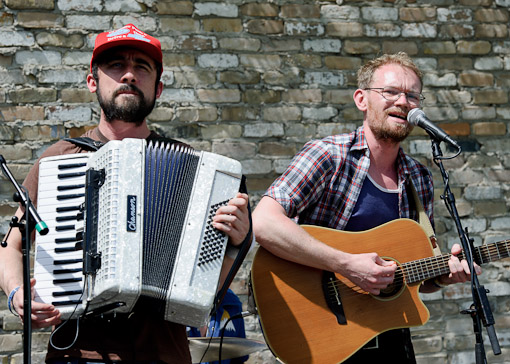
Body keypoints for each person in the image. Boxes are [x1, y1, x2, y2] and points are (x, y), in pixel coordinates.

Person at [0, 24, 251, 364]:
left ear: (158, 88)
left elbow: (208, 286)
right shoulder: (59, 159)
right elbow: (11, 245)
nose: (129, 75)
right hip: (79, 353)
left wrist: (235, 242)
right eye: (116, 65)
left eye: (142, 67)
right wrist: (17, 294)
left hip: (164, 354)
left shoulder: (199, 173)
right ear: (93, 81)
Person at [252, 52, 481, 363]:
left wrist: (444, 275)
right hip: (327, 340)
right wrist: (346, 264)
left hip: (392, 343)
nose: (403, 102)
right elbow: (264, 223)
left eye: (412, 95)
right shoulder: (328, 156)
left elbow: (412, 278)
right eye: (391, 92)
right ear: (362, 99)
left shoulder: (419, 178)